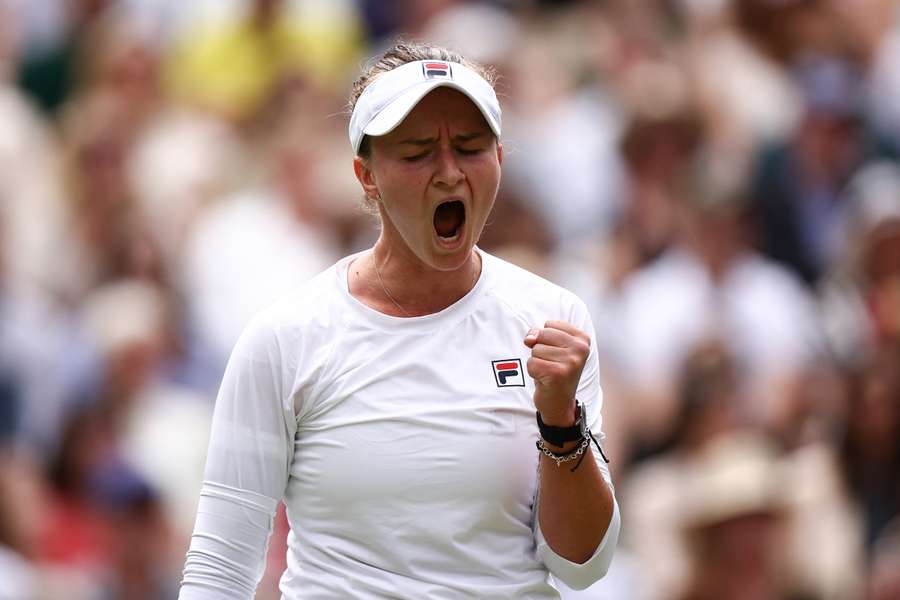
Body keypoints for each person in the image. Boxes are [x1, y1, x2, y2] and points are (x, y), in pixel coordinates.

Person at [178, 41, 619, 599]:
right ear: (367, 176)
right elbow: (221, 566)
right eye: (416, 153)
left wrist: (561, 424)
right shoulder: (286, 336)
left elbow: (583, 565)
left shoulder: (554, 318)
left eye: (469, 147)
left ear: (500, 160)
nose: (449, 173)